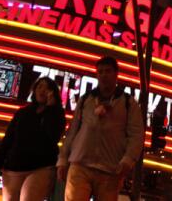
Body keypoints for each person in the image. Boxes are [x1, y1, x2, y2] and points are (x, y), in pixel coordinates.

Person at [57, 55, 143, 201]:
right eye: (100, 72)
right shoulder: (85, 99)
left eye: (108, 71)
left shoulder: (129, 103)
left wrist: (128, 160)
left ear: (116, 74)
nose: (104, 75)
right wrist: (63, 160)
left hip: (110, 169)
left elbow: (136, 135)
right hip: (80, 164)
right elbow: (73, 131)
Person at [0, 76, 66, 201]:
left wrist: (51, 108)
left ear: (53, 93)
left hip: (41, 167)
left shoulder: (57, 114)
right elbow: (7, 141)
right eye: (40, 86)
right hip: (14, 167)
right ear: (34, 90)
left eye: (47, 88)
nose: (43, 90)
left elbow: (53, 136)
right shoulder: (22, 113)